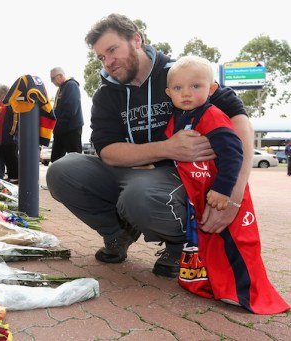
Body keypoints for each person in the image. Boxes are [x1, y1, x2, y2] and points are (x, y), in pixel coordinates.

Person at [46, 13, 254, 278]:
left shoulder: (179, 74)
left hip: (179, 174)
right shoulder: (106, 93)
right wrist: (167, 147)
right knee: (62, 171)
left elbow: (240, 122)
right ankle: (116, 233)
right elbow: (107, 150)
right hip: (133, 168)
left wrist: (233, 197)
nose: (108, 62)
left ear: (136, 40)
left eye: (112, 50)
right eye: (101, 57)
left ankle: (181, 245)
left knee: (140, 196)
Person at [164, 55, 290, 314]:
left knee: (237, 243)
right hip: (199, 195)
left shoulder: (211, 115)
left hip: (222, 193)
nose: (186, 93)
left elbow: (234, 154)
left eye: (195, 86)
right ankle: (213, 285)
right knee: (209, 243)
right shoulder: (178, 117)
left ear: (211, 89)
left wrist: (223, 191)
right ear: (169, 93)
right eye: (178, 88)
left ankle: (246, 293)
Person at [50, 67, 84, 162]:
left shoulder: (71, 85)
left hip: (71, 129)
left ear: (60, 75)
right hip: (60, 130)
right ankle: (56, 177)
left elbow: (71, 108)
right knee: (55, 159)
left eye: (53, 78)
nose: (52, 81)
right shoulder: (61, 88)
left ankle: (77, 177)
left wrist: (59, 125)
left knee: (75, 159)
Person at [0, 85, 19, 184]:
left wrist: (11, 133)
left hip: (10, 137)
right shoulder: (5, 105)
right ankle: (11, 175)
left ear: (5, 93)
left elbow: (15, 120)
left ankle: (15, 176)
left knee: (12, 157)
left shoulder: (12, 104)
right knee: (7, 157)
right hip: (4, 137)